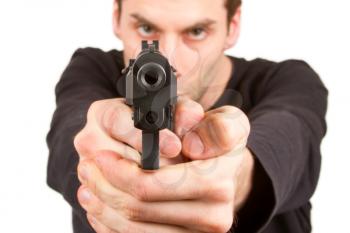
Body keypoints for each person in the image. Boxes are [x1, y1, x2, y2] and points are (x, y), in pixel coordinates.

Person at [46, 0, 328, 232]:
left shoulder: (288, 80)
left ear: (232, 27)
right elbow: (69, 134)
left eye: (196, 32)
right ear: (116, 18)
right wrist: (97, 159)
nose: (168, 58)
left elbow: (290, 142)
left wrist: (237, 178)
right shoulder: (91, 68)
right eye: (146, 27)